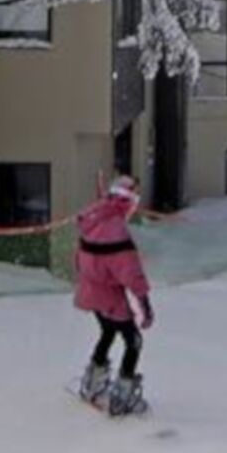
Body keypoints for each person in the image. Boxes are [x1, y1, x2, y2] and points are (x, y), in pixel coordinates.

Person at [74, 175, 155, 415]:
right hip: (110, 297)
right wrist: (145, 305)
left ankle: (93, 381)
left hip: (90, 291)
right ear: (128, 199)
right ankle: (123, 394)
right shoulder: (116, 230)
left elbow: (79, 258)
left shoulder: (94, 217)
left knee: (108, 331)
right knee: (134, 341)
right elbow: (131, 273)